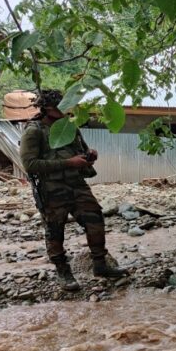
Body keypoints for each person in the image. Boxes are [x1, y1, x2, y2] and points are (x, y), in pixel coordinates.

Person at [20, 90, 127, 291]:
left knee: (95, 219)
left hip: (77, 184)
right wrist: (69, 163)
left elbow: (80, 151)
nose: (67, 111)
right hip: (51, 189)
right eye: (62, 108)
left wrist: (89, 156)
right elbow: (30, 164)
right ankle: (63, 272)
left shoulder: (69, 126)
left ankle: (100, 265)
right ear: (48, 109)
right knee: (55, 230)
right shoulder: (34, 130)